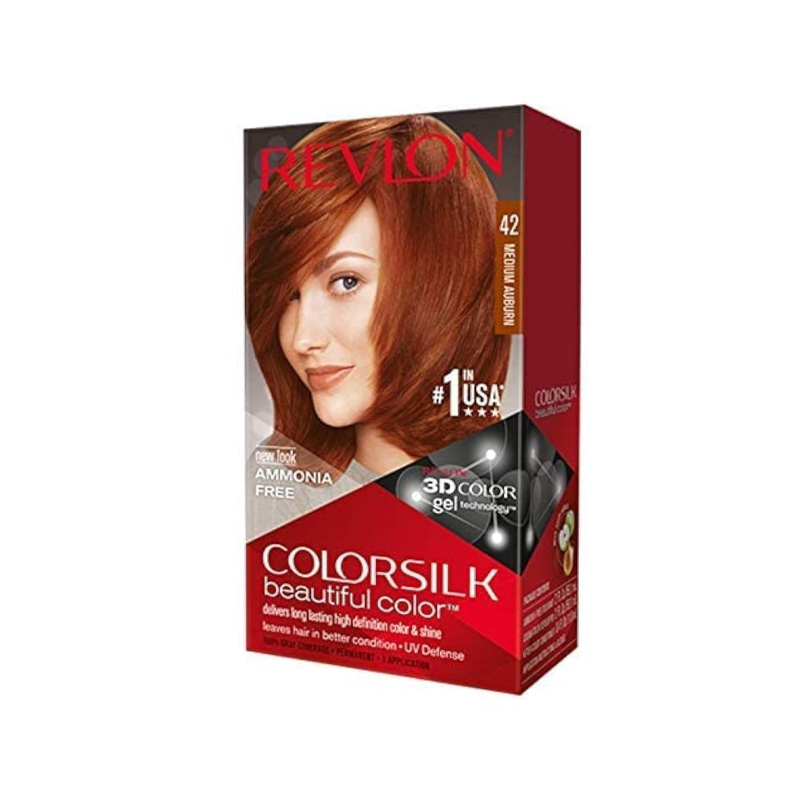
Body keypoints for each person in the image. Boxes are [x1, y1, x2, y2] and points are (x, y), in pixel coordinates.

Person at [246, 114, 510, 482]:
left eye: (346, 282)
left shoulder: (528, 487)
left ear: (443, 285)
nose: (302, 340)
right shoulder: (275, 484)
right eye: (290, 295)